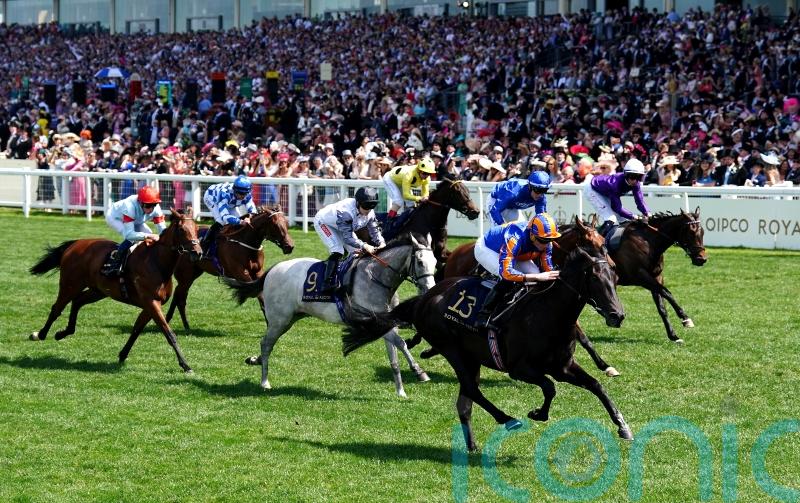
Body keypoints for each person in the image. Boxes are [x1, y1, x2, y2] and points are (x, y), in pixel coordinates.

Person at [473, 213, 561, 330]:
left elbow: (548, 270)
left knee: (535, 273)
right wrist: (537, 277)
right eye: (543, 240)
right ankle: (482, 317)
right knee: (509, 280)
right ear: (532, 235)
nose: (546, 244)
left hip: (518, 253)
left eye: (550, 240)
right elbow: (507, 273)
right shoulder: (515, 237)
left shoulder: (546, 241)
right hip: (488, 249)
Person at [313, 187, 386, 292]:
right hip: (324, 222)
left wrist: (381, 242)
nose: (367, 211)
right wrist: (365, 245)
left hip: (342, 225)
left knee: (356, 252)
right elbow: (348, 239)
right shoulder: (346, 212)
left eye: (370, 208)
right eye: (365, 208)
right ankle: (326, 283)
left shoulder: (369, 211)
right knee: (338, 250)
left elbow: (374, 230)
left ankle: (348, 278)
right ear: (358, 203)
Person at [102, 185, 166, 276]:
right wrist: (148, 236)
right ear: (140, 202)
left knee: (149, 236)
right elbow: (129, 234)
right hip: (115, 218)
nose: (151, 209)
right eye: (148, 206)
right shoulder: (129, 206)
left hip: (135, 220)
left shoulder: (156, 209)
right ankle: (114, 266)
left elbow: (163, 231)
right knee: (132, 239)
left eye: (153, 205)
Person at [585, 158, 650, 236]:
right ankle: (595, 241)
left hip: (604, 191)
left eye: (639, 177)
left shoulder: (636, 184)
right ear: (626, 175)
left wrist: (648, 213)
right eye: (633, 177)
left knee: (624, 220)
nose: (635, 181)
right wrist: (634, 216)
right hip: (592, 189)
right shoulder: (614, 184)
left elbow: (640, 201)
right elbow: (617, 208)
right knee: (610, 218)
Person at [201, 174, 258, 256]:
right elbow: (225, 217)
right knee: (221, 221)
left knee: (237, 219)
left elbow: (253, 211)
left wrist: (249, 217)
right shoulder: (225, 194)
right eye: (240, 193)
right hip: (212, 197)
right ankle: (205, 244)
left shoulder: (247, 194)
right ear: (234, 190)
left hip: (230, 203)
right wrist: (241, 222)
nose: (242, 196)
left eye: (244, 194)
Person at [486, 170, 551, 226]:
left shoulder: (541, 198)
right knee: (499, 231)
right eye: (538, 190)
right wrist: (503, 226)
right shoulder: (513, 192)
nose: (540, 194)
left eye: (544, 190)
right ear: (529, 186)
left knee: (521, 230)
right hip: (495, 201)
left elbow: (541, 218)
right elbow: (495, 210)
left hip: (512, 206)